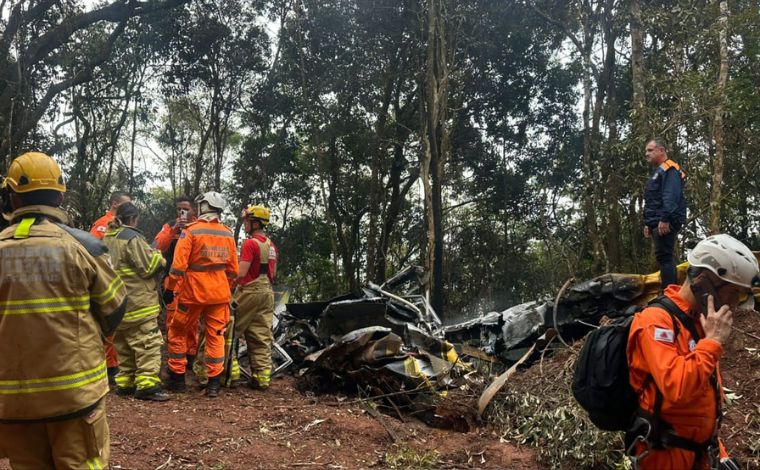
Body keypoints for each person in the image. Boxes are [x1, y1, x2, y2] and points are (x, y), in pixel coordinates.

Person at [0, 152, 126, 468]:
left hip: (12, 402)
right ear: (59, 195)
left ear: (12, 197)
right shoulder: (85, 247)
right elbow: (115, 307)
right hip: (75, 397)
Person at [626, 234, 759, 470]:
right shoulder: (656, 322)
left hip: (699, 451)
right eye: (733, 293)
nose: (735, 304)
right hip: (664, 454)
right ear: (704, 281)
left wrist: (719, 451)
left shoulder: (700, 321)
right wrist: (714, 341)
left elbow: (702, 398)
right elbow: (677, 388)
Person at [165, 191, 238, 398]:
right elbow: (233, 270)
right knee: (216, 337)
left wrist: (170, 289)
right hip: (219, 295)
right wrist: (226, 286)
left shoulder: (191, 231)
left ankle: (178, 379)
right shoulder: (227, 233)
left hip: (192, 293)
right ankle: (213, 384)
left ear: (204, 206)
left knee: (178, 331)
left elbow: (178, 267)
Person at [103, 202, 169, 401]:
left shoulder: (108, 237)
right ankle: (147, 384)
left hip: (117, 302)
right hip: (138, 302)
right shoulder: (131, 237)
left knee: (123, 344)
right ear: (133, 219)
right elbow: (148, 267)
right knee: (147, 342)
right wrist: (159, 257)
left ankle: (125, 382)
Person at [234, 205, 278, 390]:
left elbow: (241, 273)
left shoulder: (250, 243)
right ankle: (262, 378)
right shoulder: (271, 245)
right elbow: (273, 273)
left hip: (249, 291)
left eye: (246, 221)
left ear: (255, 222)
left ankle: (230, 373)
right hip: (267, 292)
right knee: (260, 335)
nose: (244, 224)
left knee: (228, 329)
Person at [90, 190, 132, 382]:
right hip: (105, 281)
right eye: (125, 204)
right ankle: (110, 367)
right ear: (115, 204)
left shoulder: (124, 228)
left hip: (120, 282)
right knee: (108, 326)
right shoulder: (102, 225)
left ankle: (117, 366)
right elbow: (92, 251)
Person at [153, 196, 200, 368]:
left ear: (194, 209)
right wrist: (174, 229)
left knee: (192, 321)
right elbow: (157, 246)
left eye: (186, 209)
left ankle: (190, 355)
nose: (183, 212)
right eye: (179, 208)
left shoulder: (199, 227)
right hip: (172, 280)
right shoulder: (170, 226)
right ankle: (176, 363)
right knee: (173, 321)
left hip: (193, 280)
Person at [643, 138, 687, 289]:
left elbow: (670, 195)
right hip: (657, 220)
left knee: (665, 257)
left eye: (650, 150)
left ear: (661, 150)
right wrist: (649, 223)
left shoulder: (670, 169)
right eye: (646, 151)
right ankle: (669, 291)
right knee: (664, 257)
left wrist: (665, 218)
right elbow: (654, 199)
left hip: (666, 220)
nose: (646, 154)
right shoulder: (659, 171)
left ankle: (670, 294)